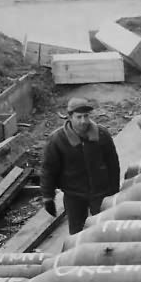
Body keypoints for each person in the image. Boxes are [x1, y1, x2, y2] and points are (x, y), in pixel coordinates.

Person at [41, 96, 120, 235]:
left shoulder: (102, 135)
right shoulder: (57, 140)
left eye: (86, 116)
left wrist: (114, 192)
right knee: (77, 233)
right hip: (74, 195)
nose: (83, 121)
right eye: (79, 117)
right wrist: (48, 197)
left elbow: (113, 165)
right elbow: (48, 170)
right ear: (70, 117)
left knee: (104, 230)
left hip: (101, 193)